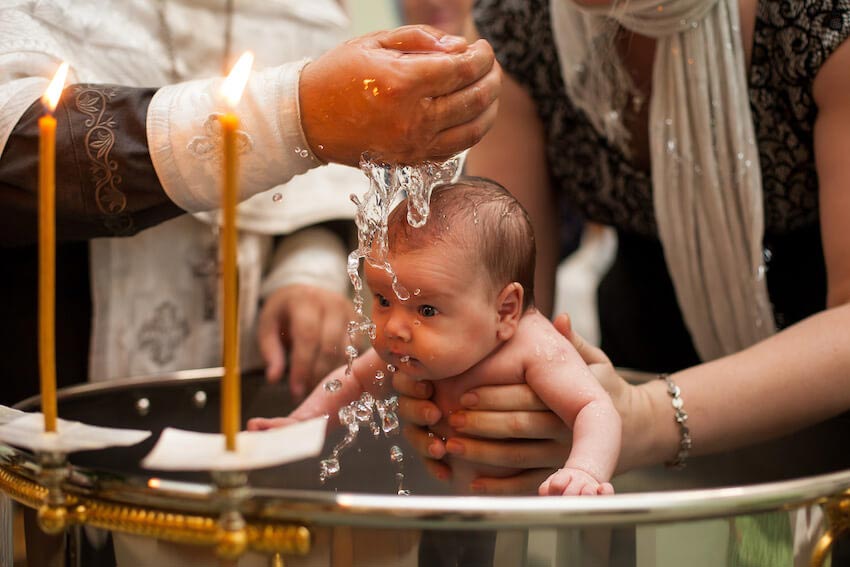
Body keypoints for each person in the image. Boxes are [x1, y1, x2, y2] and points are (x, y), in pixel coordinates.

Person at [393, 0, 850, 497]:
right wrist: (465, 392)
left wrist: (648, 417)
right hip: (642, 350)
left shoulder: (820, 15)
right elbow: (493, 290)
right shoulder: (519, 20)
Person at [0, 0, 500, 406]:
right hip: (48, 376)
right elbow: (22, 152)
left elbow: (319, 184)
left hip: (256, 385)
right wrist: (294, 115)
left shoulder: (309, 9)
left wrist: (307, 266)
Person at [250, 178, 621, 496]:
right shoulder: (404, 346)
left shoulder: (533, 348)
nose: (394, 326)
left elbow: (596, 408)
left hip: (526, 522)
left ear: (505, 310)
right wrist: (301, 423)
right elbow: (350, 382)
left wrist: (584, 471)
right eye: (382, 299)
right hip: (447, 506)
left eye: (426, 310)